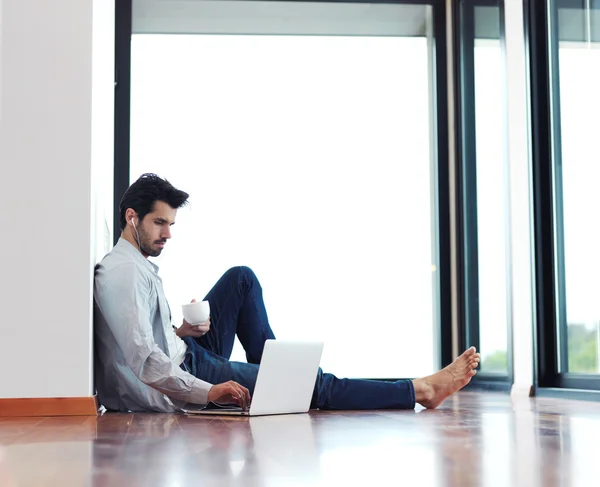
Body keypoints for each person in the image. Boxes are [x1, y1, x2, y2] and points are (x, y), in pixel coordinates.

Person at [94, 173, 480, 413]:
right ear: (132, 217)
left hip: (185, 352)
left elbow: (149, 338)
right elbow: (144, 361)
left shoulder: (136, 265)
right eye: (160, 223)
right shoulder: (123, 272)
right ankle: (420, 389)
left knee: (240, 278)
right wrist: (210, 392)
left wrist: (181, 332)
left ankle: (281, 377)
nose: (168, 234)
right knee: (316, 385)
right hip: (187, 371)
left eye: (171, 223)